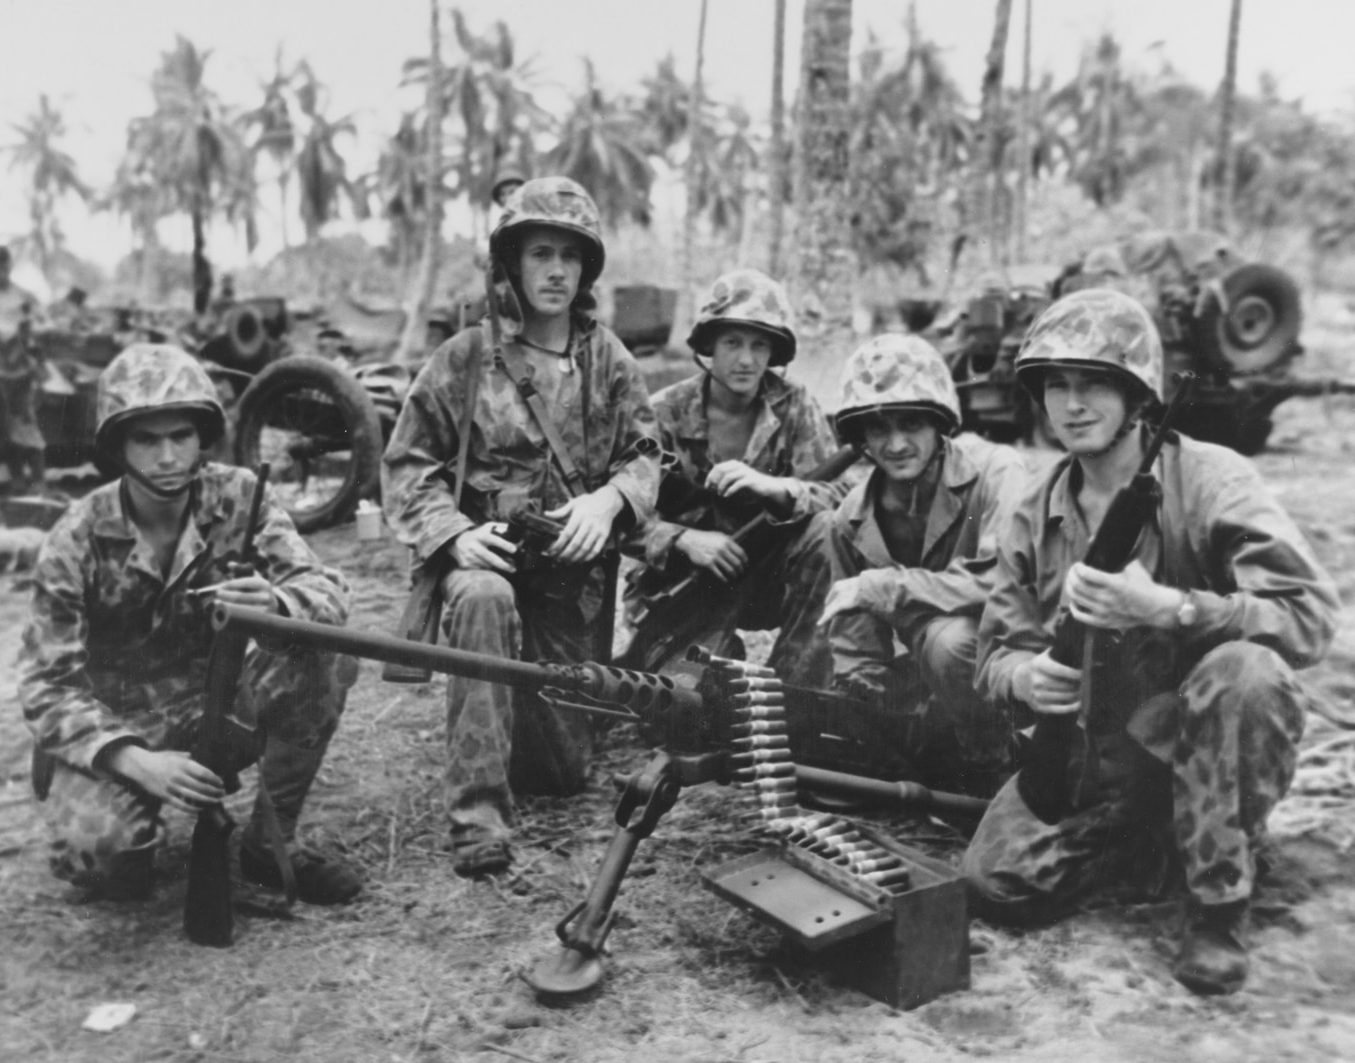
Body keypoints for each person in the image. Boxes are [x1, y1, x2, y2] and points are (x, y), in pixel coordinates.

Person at [962, 288, 1338, 995]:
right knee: (995, 882)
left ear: (1137, 395)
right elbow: (992, 653)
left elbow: (1309, 616)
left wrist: (1173, 606)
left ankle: (1219, 898)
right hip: (1092, 749)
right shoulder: (1031, 508)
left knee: (1247, 671)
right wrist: (1025, 676)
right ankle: (1151, 833)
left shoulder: (1211, 479)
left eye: (1094, 384)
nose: (1071, 405)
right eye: (1056, 385)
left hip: (1194, 726)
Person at [381, 176, 660, 878]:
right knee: (481, 597)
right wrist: (452, 535)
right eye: (541, 252)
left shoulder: (610, 363)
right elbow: (407, 462)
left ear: (587, 267)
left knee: (562, 773)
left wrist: (607, 503)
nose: (557, 270)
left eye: (571, 254)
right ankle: (477, 817)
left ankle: (506, 732)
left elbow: (648, 456)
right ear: (512, 261)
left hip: (570, 589)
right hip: (491, 563)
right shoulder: (465, 359)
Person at [17, 343, 363, 905]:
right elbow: (44, 684)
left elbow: (324, 590)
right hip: (116, 727)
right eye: (146, 439)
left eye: (181, 435)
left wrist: (277, 603)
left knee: (326, 653)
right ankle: (89, 793)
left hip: (217, 703)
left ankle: (268, 847)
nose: (168, 457)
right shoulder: (74, 538)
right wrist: (138, 762)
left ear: (202, 437)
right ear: (117, 447)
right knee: (104, 861)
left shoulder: (240, 498)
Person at [815, 333, 1027, 795]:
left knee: (948, 642)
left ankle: (995, 769)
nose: (895, 444)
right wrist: (866, 707)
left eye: (911, 424)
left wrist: (886, 587)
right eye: (878, 428)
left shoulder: (996, 472)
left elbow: (1004, 582)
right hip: (936, 676)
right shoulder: (850, 518)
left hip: (1016, 653)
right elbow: (858, 652)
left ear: (939, 423)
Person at [622, 268, 845, 688]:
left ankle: (797, 694)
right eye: (732, 343)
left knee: (828, 532)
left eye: (760, 344)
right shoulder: (663, 413)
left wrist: (779, 489)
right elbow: (620, 512)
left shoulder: (793, 405)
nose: (746, 360)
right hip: (686, 585)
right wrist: (682, 540)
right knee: (691, 703)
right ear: (709, 345)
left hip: (767, 576)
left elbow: (840, 498)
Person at [0, 245, 48, 491]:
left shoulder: (23, 296)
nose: (0, 270)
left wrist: (25, 334)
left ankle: (38, 480)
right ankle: (16, 479)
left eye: (4, 265)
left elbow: (42, 322)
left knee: (26, 419)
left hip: (21, 365)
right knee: (3, 423)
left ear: (10, 266)